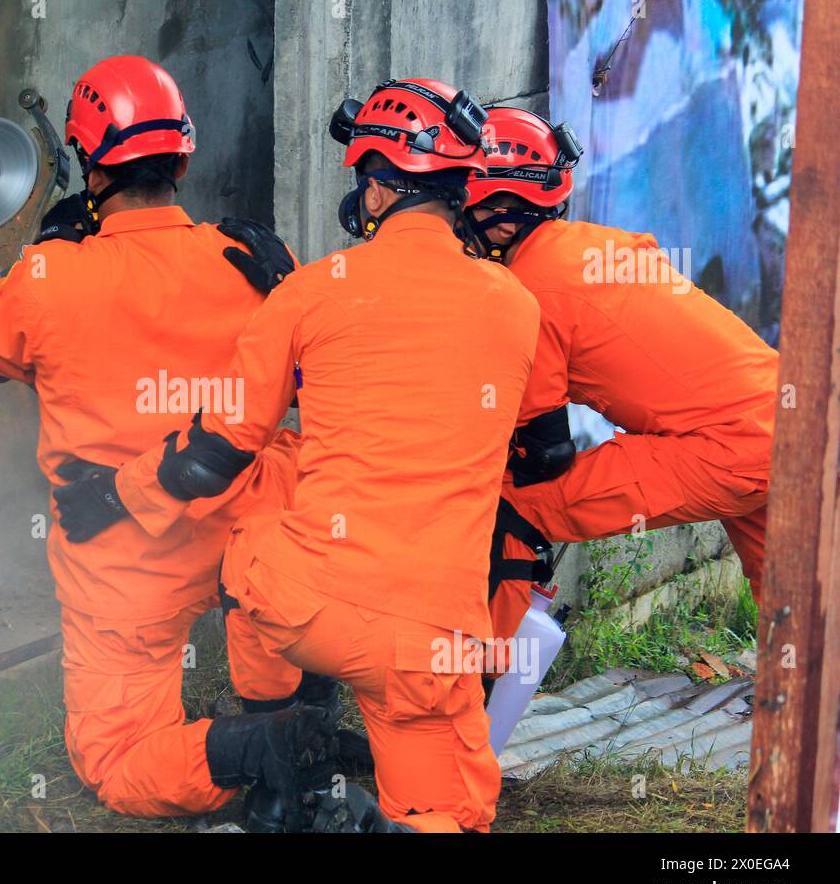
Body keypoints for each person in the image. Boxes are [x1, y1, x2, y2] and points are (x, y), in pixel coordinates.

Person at [60, 78, 541, 832]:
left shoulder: (312, 294)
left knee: (254, 520)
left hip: (312, 612)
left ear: (379, 191)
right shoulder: (517, 305)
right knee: (452, 813)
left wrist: (112, 494)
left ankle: (279, 733)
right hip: (435, 641)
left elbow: (212, 456)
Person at [0, 55, 337, 827]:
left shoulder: (51, 277)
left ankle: (258, 754)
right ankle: (286, 705)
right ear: (183, 156)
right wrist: (286, 278)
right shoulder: (248, 261)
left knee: (117, 763)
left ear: (89, 168)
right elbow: (309, 372)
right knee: (286, 499)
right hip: (248, 529)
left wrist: (44, 256)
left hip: (125, 550)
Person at [465, 106, 778, 647]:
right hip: (786, 425)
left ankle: (464, 699)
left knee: (514, 506)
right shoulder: (590, 246)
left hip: (730, 449)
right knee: (799, 612)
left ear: (498, 209)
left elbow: (541, 453)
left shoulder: (526, 289)